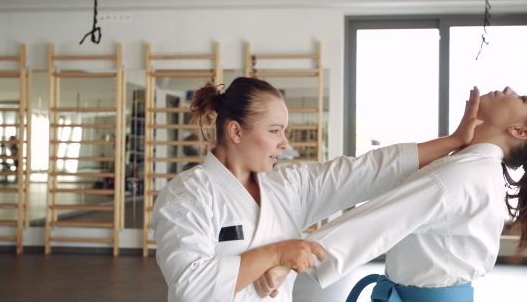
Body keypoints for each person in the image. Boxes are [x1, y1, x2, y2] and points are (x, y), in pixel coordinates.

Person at [151, 77, 481, 301]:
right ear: (236, 131)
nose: (285, 142)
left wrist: (452, 142)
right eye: (275, 130)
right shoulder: (187, 195)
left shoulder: (289, 186)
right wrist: (276, 253)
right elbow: (190, 288)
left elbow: (368, 170)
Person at [255, 86, 527, 301]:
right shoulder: (479, 169)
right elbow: (382, 182)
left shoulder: (464, 174)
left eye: (524, 99)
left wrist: (294, 258)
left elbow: (381, 221)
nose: (510, 90)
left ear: (519, 132)